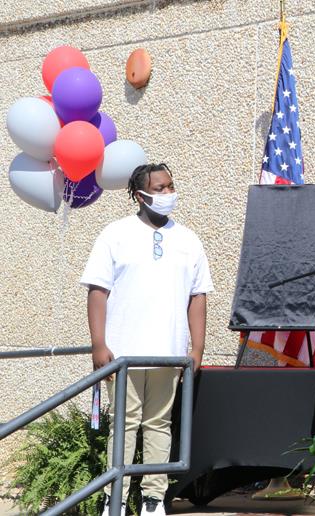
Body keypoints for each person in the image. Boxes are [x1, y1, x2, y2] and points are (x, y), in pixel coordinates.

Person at [81, 163, 213, 516]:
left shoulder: (188, 239)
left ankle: (153, 499)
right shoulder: (116, 233)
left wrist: (196, 347)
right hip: (122, 354)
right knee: (123, 426)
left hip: (168, 353)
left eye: (171, 186)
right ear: (140, 195)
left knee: (159, 426)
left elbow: (198, 296)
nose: (169, 193)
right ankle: (117, 499)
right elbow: (98, 289)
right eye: (160, 188)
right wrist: (98, 343)